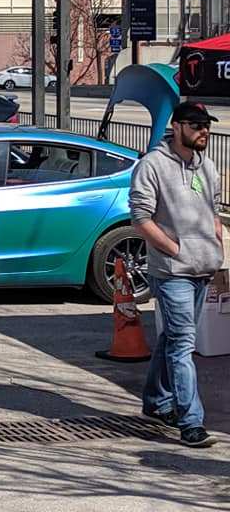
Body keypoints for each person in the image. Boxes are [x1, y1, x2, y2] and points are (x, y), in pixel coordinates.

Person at [130, 101, 223, 448]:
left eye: (207, 125)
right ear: (177, 127)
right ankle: (191, 422)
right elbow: (141, 217)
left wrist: (216, 249)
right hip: (172, 271)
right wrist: (174, 249)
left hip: (203, 266)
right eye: (196, 125)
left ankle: (156, 401)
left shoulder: (207, 167)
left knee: (173, 338)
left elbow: (213, 211)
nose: (204, 131)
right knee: (183, 343)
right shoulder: (153, 165)